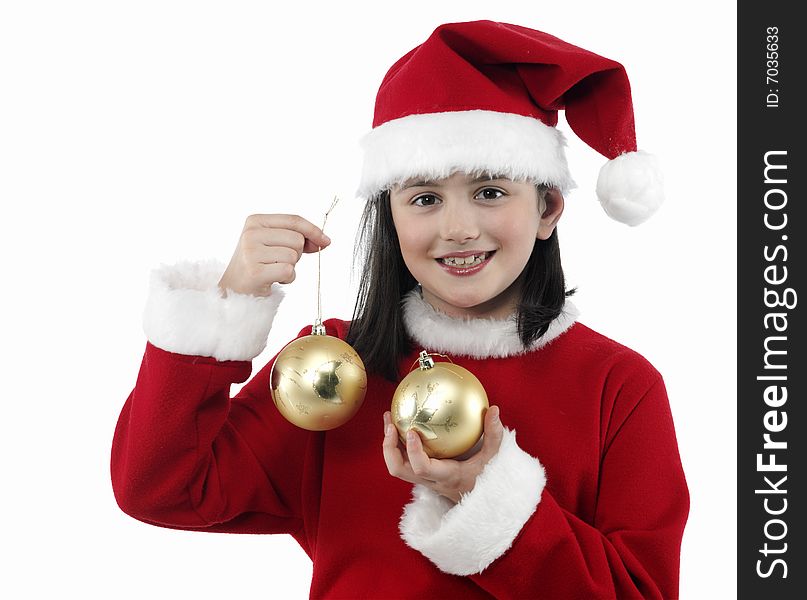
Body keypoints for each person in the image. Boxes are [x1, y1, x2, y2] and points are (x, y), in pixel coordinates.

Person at [111, 20, 688, 599]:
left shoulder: (619, 387)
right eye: (425, 198)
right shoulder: (332, 371)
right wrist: (229, 302)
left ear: (547, 209)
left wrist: (491, 503)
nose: (458, 229)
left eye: (490, 192)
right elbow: (162, 487)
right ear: (391, 216)